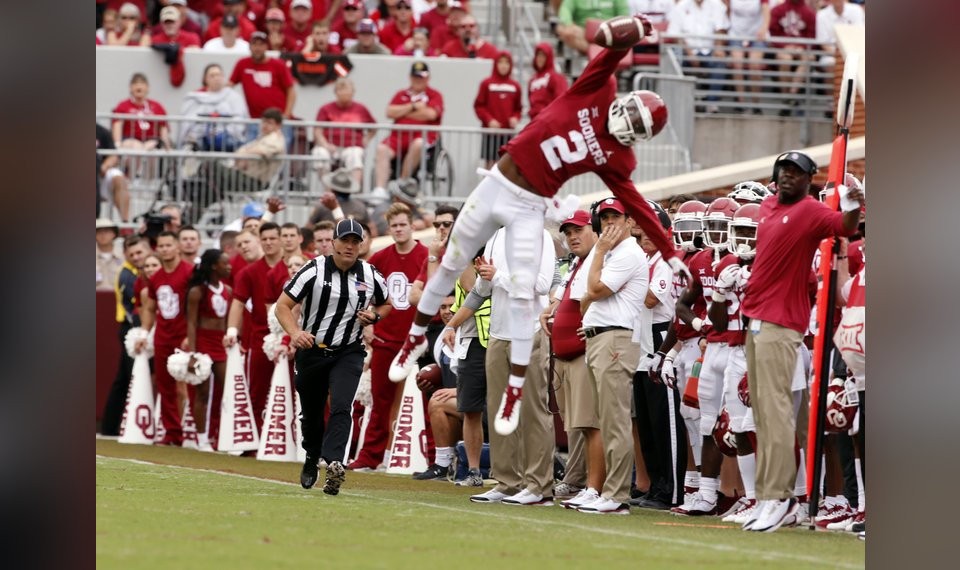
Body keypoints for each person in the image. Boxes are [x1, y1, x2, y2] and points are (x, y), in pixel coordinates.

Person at [387, 16, 687, 439]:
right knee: (451, 261)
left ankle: (513, 390)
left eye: (636, 126)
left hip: (529, 205)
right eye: (630, 115)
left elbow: (636, 202)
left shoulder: (619, 158)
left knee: (527, 293)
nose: (626, 125)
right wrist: (630, 31)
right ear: (623, 101)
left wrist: (672, 254)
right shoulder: (596, 93)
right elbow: (608, 52)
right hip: (497, 184)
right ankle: (413, 336)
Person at [739, 150, 863, 533]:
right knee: (762, 413)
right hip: (755, 318)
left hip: (781, 322)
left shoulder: (810, 211)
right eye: (784, 170)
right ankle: (767, 497)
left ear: (809, 178)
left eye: (797, 172)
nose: (788, 176)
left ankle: (780, 497)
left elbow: (843, 225)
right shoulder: (767, 207)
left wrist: (853, 203)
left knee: (777, 412)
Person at [276, 219, 390, 495]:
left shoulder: (369, 273)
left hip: (348, 351)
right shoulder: (313, 269)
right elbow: (282, 305)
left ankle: (335, 461)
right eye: (345, 241)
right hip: (313, 350)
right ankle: (312, 455)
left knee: (341, 405)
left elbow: (387, 303)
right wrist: (295, 332)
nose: (350, 247)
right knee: (312, 414)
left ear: (361, 246)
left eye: (355, 242)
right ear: (333, 243)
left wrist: (374, 316)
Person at [459, 227, 557, 505]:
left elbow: (541, 284)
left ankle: (539, 486)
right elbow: (485, 288)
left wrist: (497, 276)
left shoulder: (540, 236)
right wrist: (483, 281)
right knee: (500, 410)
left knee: (532, 410)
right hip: (499, 333)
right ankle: (507, 482)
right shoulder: (495, 237)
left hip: (528, 331)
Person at [571, 198, 647, 515]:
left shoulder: (626, 252)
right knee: (607, 418)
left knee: (615, 420)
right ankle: (607, 490)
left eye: (615, 216)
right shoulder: (614, 253)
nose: (608, 223)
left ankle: (617, 494)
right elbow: (584, 295)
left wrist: (599, 252)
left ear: (629, 221)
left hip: (616, 337)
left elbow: (597, 290)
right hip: (603, 337)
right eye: (604, 217)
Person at [348, 203, 427, 471]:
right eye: (394, 226)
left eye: (403, 224)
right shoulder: (380, 258)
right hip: (385, 339)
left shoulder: (426, 256)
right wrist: (367, 320)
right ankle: (370, 456)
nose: (399, 230)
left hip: (417, 341)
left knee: (421, 399)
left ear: (412, 225)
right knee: (379, 400)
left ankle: (427, 457)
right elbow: (360, 287)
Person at [540, 210, 599, 506]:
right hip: (563, 352)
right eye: (568, 232)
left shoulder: (599, 260)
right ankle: (576, 479)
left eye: (578, 230)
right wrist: (551, 306)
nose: (572, 236)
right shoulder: (575, 264)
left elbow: (594, 295)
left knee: (586, 421)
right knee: (572, 421)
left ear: (594, 230)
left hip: (583, 351)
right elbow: (561, 294)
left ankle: (582, 481)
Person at [224, 222, 285, 434]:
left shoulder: (295, 265)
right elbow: (238, 303)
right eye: (265, 239)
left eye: (272, 238)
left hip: (294, 339)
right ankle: (255, 440)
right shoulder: (249, 272)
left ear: (281, 239)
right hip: (261, 339)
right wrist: (232, 331)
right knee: (257, 392)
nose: (269, 243)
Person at [135, 231, 195, 445]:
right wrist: (144, 333)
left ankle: (195, 430)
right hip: (163, 335)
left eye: (169, 245)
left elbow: (196, 305)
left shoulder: (189, 272)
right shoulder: (156, 277)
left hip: (184, 335)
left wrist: (191, 334)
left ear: (177, 246)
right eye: (161, 246)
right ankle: (173, 432)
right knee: (165, 385)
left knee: (188, 384)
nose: (165, 249)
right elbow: (149, 307)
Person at [100, 235, 152, 436]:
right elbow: (135, 309)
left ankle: (111, 425)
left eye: (140, 252)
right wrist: (143, 332)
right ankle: (132, 425)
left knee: (123, 378)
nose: (137, 257)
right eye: (133, 254)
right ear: (125, 256)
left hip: (139, 327)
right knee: (134, 375)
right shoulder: (126, 275)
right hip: (132, 328)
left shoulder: (141, 271)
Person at [373, 61, 444, 198]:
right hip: (398, 136)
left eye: (422, 77)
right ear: (410, 77)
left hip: (423, 136)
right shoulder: (401, 94)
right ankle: (380, 189)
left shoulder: (435, 95)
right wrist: (413, 106)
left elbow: (431, 114)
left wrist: (403, 112)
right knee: (382, 149)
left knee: (418, 144)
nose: (418, 80)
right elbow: (389, 112)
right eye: (415, 76)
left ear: (428, 77)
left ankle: (402, 183)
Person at [185, 249, 233, 451]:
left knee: (228, 390)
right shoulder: (197, 292)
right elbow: (192, 324)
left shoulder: (228, 290)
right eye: (225, 263)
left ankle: (226, 435)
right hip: (203, 344)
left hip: (219, 344)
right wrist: (193, 354)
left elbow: (227, 320)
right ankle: (201, 438)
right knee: (202, 393)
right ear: (214, 266)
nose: (229, 266)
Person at [311, 77, 377, 188]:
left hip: (352, 146)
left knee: (355, 155)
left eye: (347, 91)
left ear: (353, 92)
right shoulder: (325, 109)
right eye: (341, 91)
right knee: (319, 154)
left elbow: (373, 127)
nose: (344, 94)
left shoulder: (361, 109)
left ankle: (353, 191)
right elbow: (318, 130)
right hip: (330, 146)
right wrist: (325, 145)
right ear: (336, 93)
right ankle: (329, 191)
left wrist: (366, 139)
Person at [666, 0, 730, 114]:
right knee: (675, 62)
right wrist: (690, 53)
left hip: (710, 51)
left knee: (720, 63)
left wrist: (718, 48)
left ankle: (712, 104)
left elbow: (721, 29)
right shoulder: (681, 6)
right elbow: (675, 34)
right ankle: (680, 105)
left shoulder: (717, 5)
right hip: (686, 52)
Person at [179, 63, 250, 152]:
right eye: (212, 76)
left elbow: (240, 120)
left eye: (219, 75)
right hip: (200, 139)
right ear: (205, 79)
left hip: (228, 140)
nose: (216, 78)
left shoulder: (233, 97)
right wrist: (204, 132)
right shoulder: (195, 98)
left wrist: (223, 132)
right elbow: (188, 122)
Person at [211, 108, 287, 191]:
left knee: (210, 166)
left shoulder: (276, 139)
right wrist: (243, 156)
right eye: (264, 121)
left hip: (254, 182)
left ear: (278, 125)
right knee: (209, 183)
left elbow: (264, 151)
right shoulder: (262, 137)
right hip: (245, 176)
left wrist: (245, 155)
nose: (265, 125)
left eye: (269, 123)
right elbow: (241, 152)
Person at [229, 32, 297, 123]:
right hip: (254, 120)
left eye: (261, 44)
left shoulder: (278, 65)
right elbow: (229, 86)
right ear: (249, 46)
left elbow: (291, 91)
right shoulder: (242, 64)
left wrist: (286, 115)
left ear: (266, 47)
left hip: (277, 120)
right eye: (254, 44)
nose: (257, 48)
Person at [111, 73, 171, 178]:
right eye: (135, 84)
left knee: (153, 151)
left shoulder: (157, 106)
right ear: (130, 88)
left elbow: (163, 128)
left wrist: (166, 146)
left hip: (152, 141)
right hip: (130, 140)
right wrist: (117, 144)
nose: (139, 87)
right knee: (133, 147)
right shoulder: (123, 106)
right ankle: (132, 181)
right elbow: (117, 126)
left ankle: (150, 184)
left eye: (142, 84)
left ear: (147, 88)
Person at [474, 52, 522, 169]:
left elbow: (518, 108)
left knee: (506, 165)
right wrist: (489, 120)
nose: (503, 65)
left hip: (507, 134)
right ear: (496, 64)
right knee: (490, 164)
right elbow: (479, 106)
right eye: (500, 62)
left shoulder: (515, 86)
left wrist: (515, 118)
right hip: (491, 133)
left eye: (507, 62)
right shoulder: (486, 83)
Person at [769, 0, 817, 116]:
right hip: (783, 48)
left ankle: (791, 95)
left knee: (809, 58)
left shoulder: (809, 13)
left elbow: (813, 37)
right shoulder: (778, 10)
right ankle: (788, 98)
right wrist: (785, 46)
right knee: (785, 60)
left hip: (802, 49)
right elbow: (772, 33)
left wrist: (799, 47)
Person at [727, 0, 771, 113]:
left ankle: (756, 104)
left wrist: (764, 29)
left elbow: (766, 11)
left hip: (757, 34)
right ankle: (740, 103)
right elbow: (727, 9)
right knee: (737, 64)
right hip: (736, 34)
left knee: (754, 65)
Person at [555, 0, 629, 55]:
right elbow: (565, 10)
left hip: (609, 31)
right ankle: (596, 55)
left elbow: (624, 16)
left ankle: (601, 55)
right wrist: (568, 24)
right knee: (562, 29)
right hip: (583, 32)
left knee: (627, 30)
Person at [307, 168, 373, 229]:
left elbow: (308, 229)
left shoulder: (322, 206)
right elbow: (372, 231)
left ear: (332, 188)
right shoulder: (360, 207)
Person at [96, 123, 131, 222]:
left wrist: (103, 167)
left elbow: (114, 155)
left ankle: (125, 223)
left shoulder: (101, 131)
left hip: (100, 173)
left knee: (119, 178)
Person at [526, 42, 568, 122]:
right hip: (535, 122)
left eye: (543, 55)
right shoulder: (532, 80)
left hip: (550, 122)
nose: (540, 58)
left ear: (549, 57)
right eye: (538, 55)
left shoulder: (556, 77)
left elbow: (561, 101)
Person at [815, 0, 865, 67]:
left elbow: (860, 35)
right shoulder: (821, 15)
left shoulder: (857, 10)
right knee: (830, 62)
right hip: (831, 56)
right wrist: (841, 55)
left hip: (855, 54)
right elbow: (824, 44)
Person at [97, 219, 124, 291]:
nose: (103, 235)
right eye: (99, 232)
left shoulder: (123, 255)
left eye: (106, 231)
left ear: (114, 234)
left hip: (118, 299)